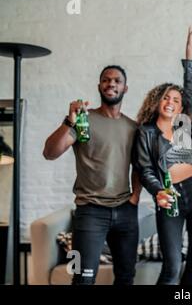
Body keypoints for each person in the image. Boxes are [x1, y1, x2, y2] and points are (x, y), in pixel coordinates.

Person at [43, 65, 141, 285]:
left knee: (126, 277)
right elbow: (49, 153)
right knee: (83, 278)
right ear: (99, 86)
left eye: (117, 81)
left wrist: (134, 197)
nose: (111, 84)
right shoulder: (82, 121)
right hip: (90, 212)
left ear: (125, 88)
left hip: (125, 211)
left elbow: (140, 166)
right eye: (106, 80)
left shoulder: (132, 127)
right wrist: (69, 121)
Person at [133, 27, 192, 285]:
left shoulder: (183, 123)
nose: (171, 102)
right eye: (167, 97)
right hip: (169, 196)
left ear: (182, 106)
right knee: (172, 266)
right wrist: (158, 191)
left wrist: (190, 50)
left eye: (176, 100)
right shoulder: (145, 133)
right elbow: (144, 169)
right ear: (158, 101)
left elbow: (191, 85)